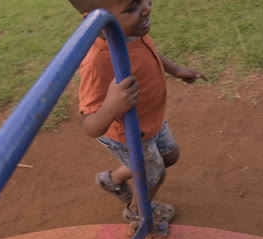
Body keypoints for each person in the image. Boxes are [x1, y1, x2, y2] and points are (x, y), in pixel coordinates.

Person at [68, 0, 208, 222]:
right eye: (132, 7)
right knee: (154, 176)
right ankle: (137, 212)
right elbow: (89, 126)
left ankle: (113, 179)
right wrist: (111, 107)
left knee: (170, 156)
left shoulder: (130, 30)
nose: (147, 8)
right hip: (127, 135)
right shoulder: (98, 61)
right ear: (97, 21)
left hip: (150, 119)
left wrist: (174, 69)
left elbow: (149, 52)